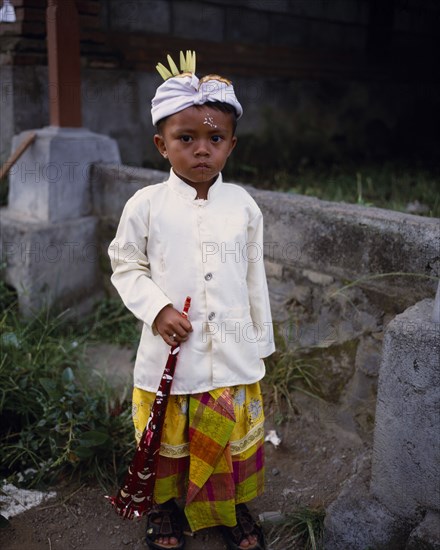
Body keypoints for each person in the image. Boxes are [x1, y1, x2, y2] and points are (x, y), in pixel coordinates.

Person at [108, 50, 275, 550]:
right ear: (162, 145)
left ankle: (231, 506)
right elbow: (125, 264)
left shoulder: (243, 206)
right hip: (170, 361)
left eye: (214, 138)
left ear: (231, 146)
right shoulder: (146, 205)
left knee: (228, 437)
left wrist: (259, 343)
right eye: (186, 138)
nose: (201, 149)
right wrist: (158, 310)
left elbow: (253, 277)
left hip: (231, 357)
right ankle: (164, 508)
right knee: (168, 440)